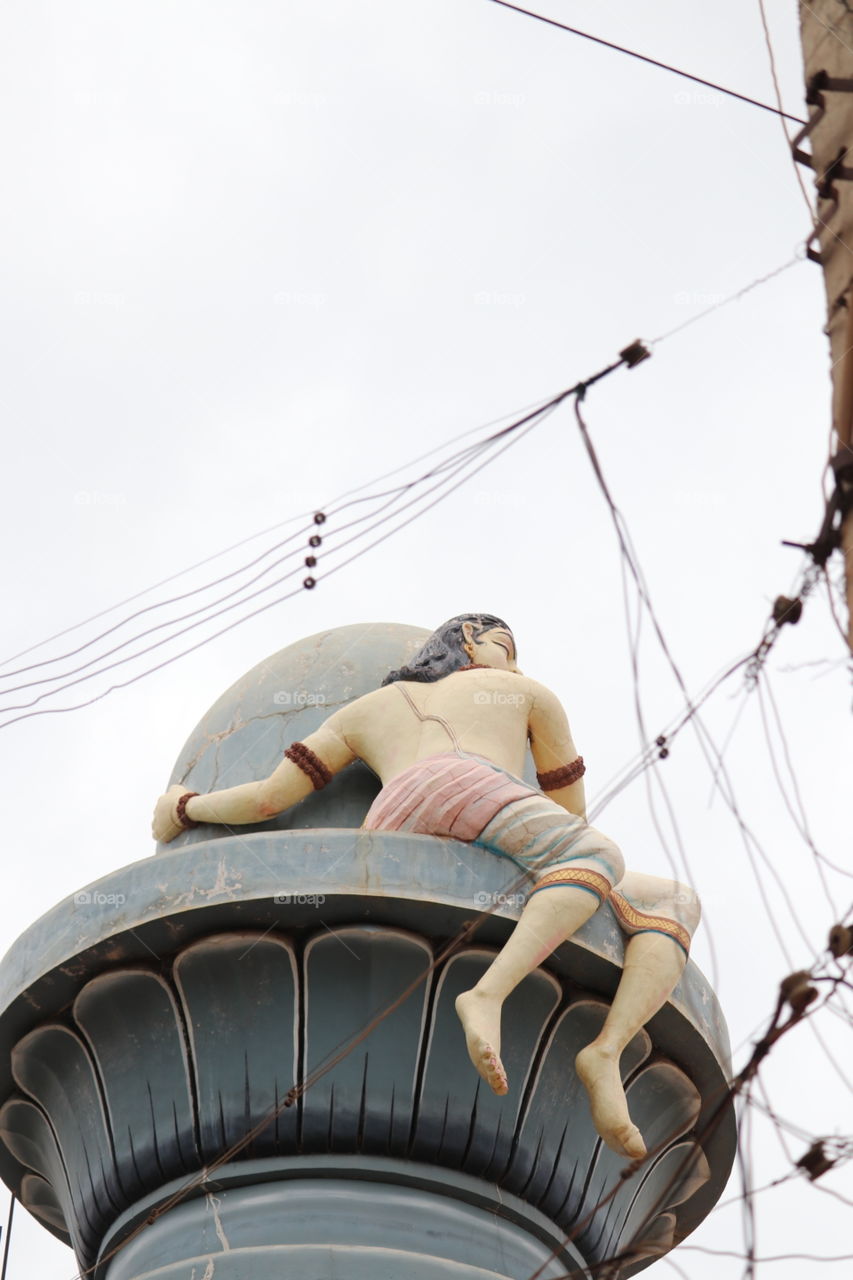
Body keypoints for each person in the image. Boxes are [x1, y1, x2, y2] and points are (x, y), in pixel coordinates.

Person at [153, 613, 700, 1160]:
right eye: (506, 646)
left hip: (394, 823)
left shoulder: (368, 709)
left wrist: (184, 807)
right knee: (596, 855)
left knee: (672, 901)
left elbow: (270, 798)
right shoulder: (523, 692)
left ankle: (605, 1054)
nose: (516, 663)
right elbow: (571, 816)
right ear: (468, 641)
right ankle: (492, 997)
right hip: (472, 787)